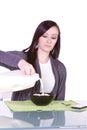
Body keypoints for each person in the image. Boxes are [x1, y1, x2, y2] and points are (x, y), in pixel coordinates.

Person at [0, 20, 67, 101]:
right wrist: (20, 62)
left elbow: (60, 103)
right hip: (22, 113)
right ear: (37, 37)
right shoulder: (23, 58)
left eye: (53, 37)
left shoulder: (60, 68)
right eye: (44, 36)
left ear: (56, 41)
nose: (49, 41)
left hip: (49, 114)